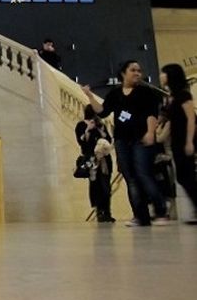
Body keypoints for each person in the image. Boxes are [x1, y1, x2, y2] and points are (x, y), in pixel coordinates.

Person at [82, 60, 169, 227]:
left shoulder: (146, 92)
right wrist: (89, 96)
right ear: (123, 73)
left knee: (143, 174)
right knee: (131, 179)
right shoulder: (115, 93)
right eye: (133, 70)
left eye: (139, 70)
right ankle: (140, 216)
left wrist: (150, 133)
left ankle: (160, 211)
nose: (137, 73)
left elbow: (152, 114)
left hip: (141, 138)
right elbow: (103, 111)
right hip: (122, 140)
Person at [160, 63, 197, 222]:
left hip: (185, 140)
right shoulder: (171, 97)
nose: (161, 76)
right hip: (176, 141)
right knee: (183, 176)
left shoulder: (184, 95)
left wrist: (189, 141)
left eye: (164, 73)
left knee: (186, 175)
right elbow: (168, 119)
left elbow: (191, 119)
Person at [75, 105, 114, 222]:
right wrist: (88, 130)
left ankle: (107, 211)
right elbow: (81, 142)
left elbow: (109, 140)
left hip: (104, 160)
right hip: (92, 160)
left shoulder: (101, 125)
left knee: (106, 185)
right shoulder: (81, 125)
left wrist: (101, 130)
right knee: (96, 186)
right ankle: (99, 211)